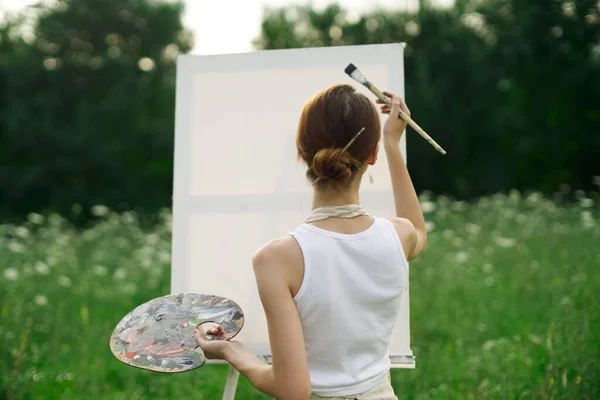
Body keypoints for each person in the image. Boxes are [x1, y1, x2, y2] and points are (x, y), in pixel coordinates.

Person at [195, 84, 427, 400]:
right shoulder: (399, 236)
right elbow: (418, 229)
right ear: (370, 156)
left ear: (302, 152)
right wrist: (391, 144)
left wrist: (232, 350)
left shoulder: (276, 259)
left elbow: (293, 390)